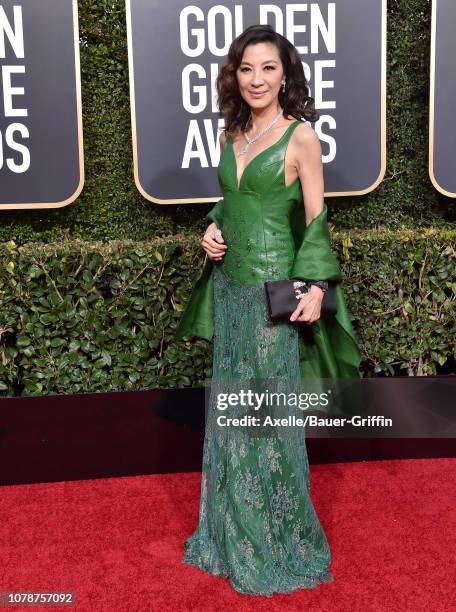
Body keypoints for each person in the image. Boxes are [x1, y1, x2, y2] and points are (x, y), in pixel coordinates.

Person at [174, 24, 361, 597]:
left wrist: (317, 289)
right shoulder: (232, 130)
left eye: (268, 68)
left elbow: (315, 217)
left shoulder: (301, 136)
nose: (257, 79)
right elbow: (235, 198)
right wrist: (211, 226)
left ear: (286, 74)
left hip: (271, 298)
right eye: (247, 68)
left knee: (268, 420)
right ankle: (229, 535)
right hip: (230, 292)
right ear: (236, 76)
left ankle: (277, 540)